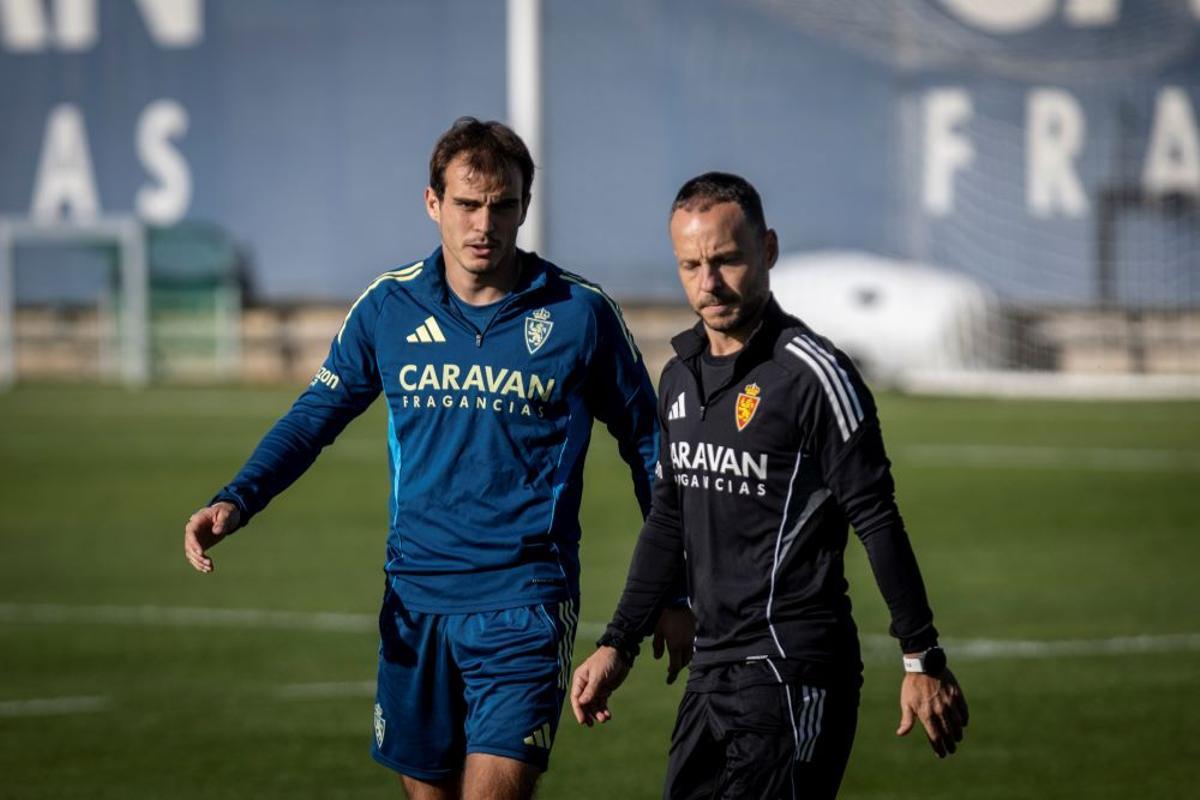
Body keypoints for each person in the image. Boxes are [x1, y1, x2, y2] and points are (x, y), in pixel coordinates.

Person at [183, 117, 692, 800]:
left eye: (502, 205)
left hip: (525, 604)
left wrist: (672, 584)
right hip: (414, 601)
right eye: (467, 204)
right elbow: (314, 417)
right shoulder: (388, 307)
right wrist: (237, 497)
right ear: (433, 204)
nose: (484, 223)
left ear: (523, 208)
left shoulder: (579, 313)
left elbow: (649, 444)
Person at [570, 172, 969, 799]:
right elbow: (669, 520)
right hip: (711, 671)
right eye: (691, 265)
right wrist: (618, 643)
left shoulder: (814, 375)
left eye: (726, 260)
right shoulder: (677, 377)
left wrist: (921, 657)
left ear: (768, 251)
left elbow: (876, 517)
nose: (709, 282)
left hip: (792, 668)